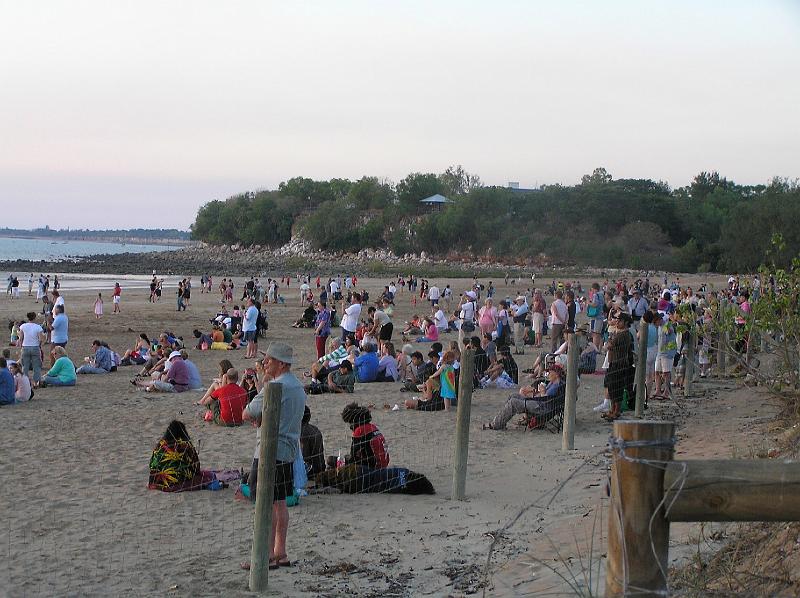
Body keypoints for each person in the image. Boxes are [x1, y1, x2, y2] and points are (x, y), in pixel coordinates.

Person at [242, 342, 306, 570]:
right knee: (279, 502)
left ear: (281, 363)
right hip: (288, 449)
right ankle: (280, 552)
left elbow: (247, 412)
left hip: (270, 451)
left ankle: (267, 555)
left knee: (265, 502)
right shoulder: (297, 385)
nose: (264, 363)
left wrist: (258, 416)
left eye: (268, 359)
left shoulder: (275, 386)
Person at [483, 363, 566, 430]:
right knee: (513, 395)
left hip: (541, 407)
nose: (548, 374)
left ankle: (496, 425)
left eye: (550, 372)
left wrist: (542, 391)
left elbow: (545, 398)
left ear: (556, 374)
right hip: (540, 402)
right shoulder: (554, 383)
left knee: (513, 402)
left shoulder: (555, 386)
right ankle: (501, 421)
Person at [148, 420, 213, 492]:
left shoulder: (160, 446)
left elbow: (152, 465)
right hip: (179, 479)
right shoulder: (185, 445)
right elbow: (195, 467)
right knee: (210, 477)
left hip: (158, 480)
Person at [341, 402, 390, 469]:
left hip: (374, 469)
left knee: (332, 460)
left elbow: (353, 456)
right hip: (382, 465)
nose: (350, 426)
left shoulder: (359, 431)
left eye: (350, 423)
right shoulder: (373, 427)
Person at [19, 311, 46, 388]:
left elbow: (21, 338)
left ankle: (26, 382)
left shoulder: (23, 326)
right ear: (35, 318)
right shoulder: (38, 327)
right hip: (35, 347)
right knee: (36, 366)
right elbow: (41, 338)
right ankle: (36, 382)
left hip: (25, 347)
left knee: (25, 366)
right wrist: (39, 345)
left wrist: (21, 347)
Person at [300, 406, 326, 478]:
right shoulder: (315, 429)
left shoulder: (301, 432)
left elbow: (304, 456)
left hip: (310, 471)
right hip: (320, 467)